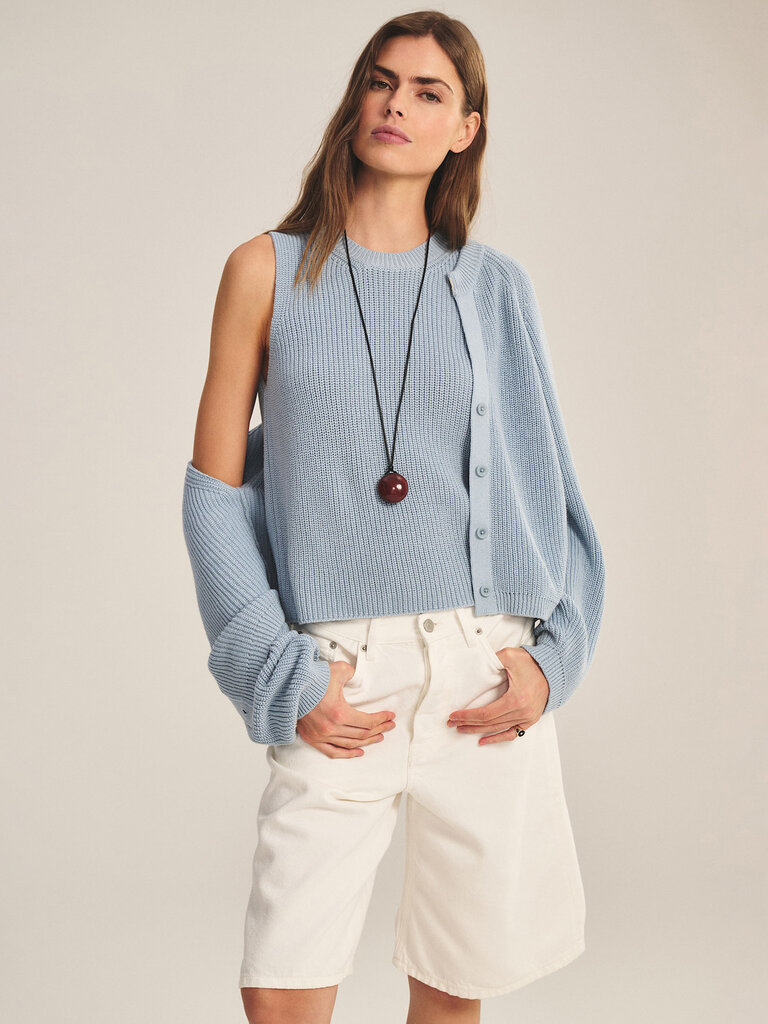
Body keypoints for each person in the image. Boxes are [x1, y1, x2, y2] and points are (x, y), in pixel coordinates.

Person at [182, 11, 606, 1024]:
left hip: (480, 674)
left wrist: (553, 660)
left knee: (452, 994)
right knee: (282, 987)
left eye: (428, 92)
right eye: (381, 81)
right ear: (355, 99)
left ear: (465, 129)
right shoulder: (265, 270)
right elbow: (211, 493)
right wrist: (281, 670)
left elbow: (553, 490)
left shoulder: (494, 288)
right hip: (340, 674)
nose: (397, 105)